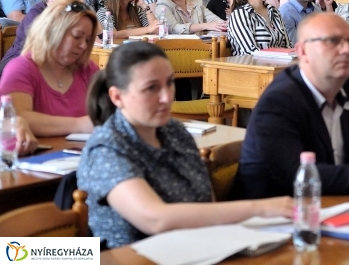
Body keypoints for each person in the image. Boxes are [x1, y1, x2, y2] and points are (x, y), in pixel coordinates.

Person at [77, 42, 292, 248]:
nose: (166, 97)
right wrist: (260, 208)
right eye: (151, 88)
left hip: (196, 249)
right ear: (117, 96)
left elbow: (208, 203)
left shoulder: (175, 131)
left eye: (169, 83)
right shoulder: (106, 149)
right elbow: (155, 220)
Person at [234, 13, 349, 199]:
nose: (346, 50)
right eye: (333, 41)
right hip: (273, 217)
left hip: (337, 203)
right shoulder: (279, 101)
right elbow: (299, 176)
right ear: (302, 52)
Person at [0, 0, 99, 137]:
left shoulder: (87, 68)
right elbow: (17, 119)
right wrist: (80, 125)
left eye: (88, 40)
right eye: (77, 37)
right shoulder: (21, 68)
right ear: (53, 31)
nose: (83, 45)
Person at [0, 0, 75, 76]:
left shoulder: (66, 12)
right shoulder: (37, 13)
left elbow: (97, 32)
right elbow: (44, 44)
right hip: (18, 65)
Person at [227, 0, 291, 55]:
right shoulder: (240, 14)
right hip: (253, 67)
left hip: (279, 65)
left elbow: (288, 46)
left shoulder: (273, 11)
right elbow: (249, 52)